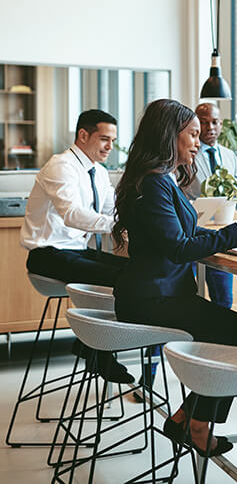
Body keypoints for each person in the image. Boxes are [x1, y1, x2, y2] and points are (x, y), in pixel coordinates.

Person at [112, 99, 237, 456]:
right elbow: (178, 248)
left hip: (158, 294)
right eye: (193, 134)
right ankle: (196, 422)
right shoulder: (155, 184)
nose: (199, 142)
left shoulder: (158, 180)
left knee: (233, 334)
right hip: (153, 299)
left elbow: (184, 233)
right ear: (171, 137)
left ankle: (189, 417)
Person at [20, 109, 132, 383]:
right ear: (83, 135)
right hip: (46, 255)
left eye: (113, 140)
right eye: (104, 139)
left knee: (136, 270)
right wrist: (118, 227)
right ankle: (99, 347)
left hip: (76, 252)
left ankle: (92, 344)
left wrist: (136, 226)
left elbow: (112, 213)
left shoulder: (101, 173)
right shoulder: (61, 166)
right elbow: (72, 214)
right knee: (123, 278)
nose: (110, 147)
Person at [182, 102, 237, 309]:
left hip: (222, 232)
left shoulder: (229, 155)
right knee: (187, 294)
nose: (210, 127)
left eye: (214, 122)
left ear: (221, 124)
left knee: (223, 299)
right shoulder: (186, 153)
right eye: (204, 123)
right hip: (192, 232)